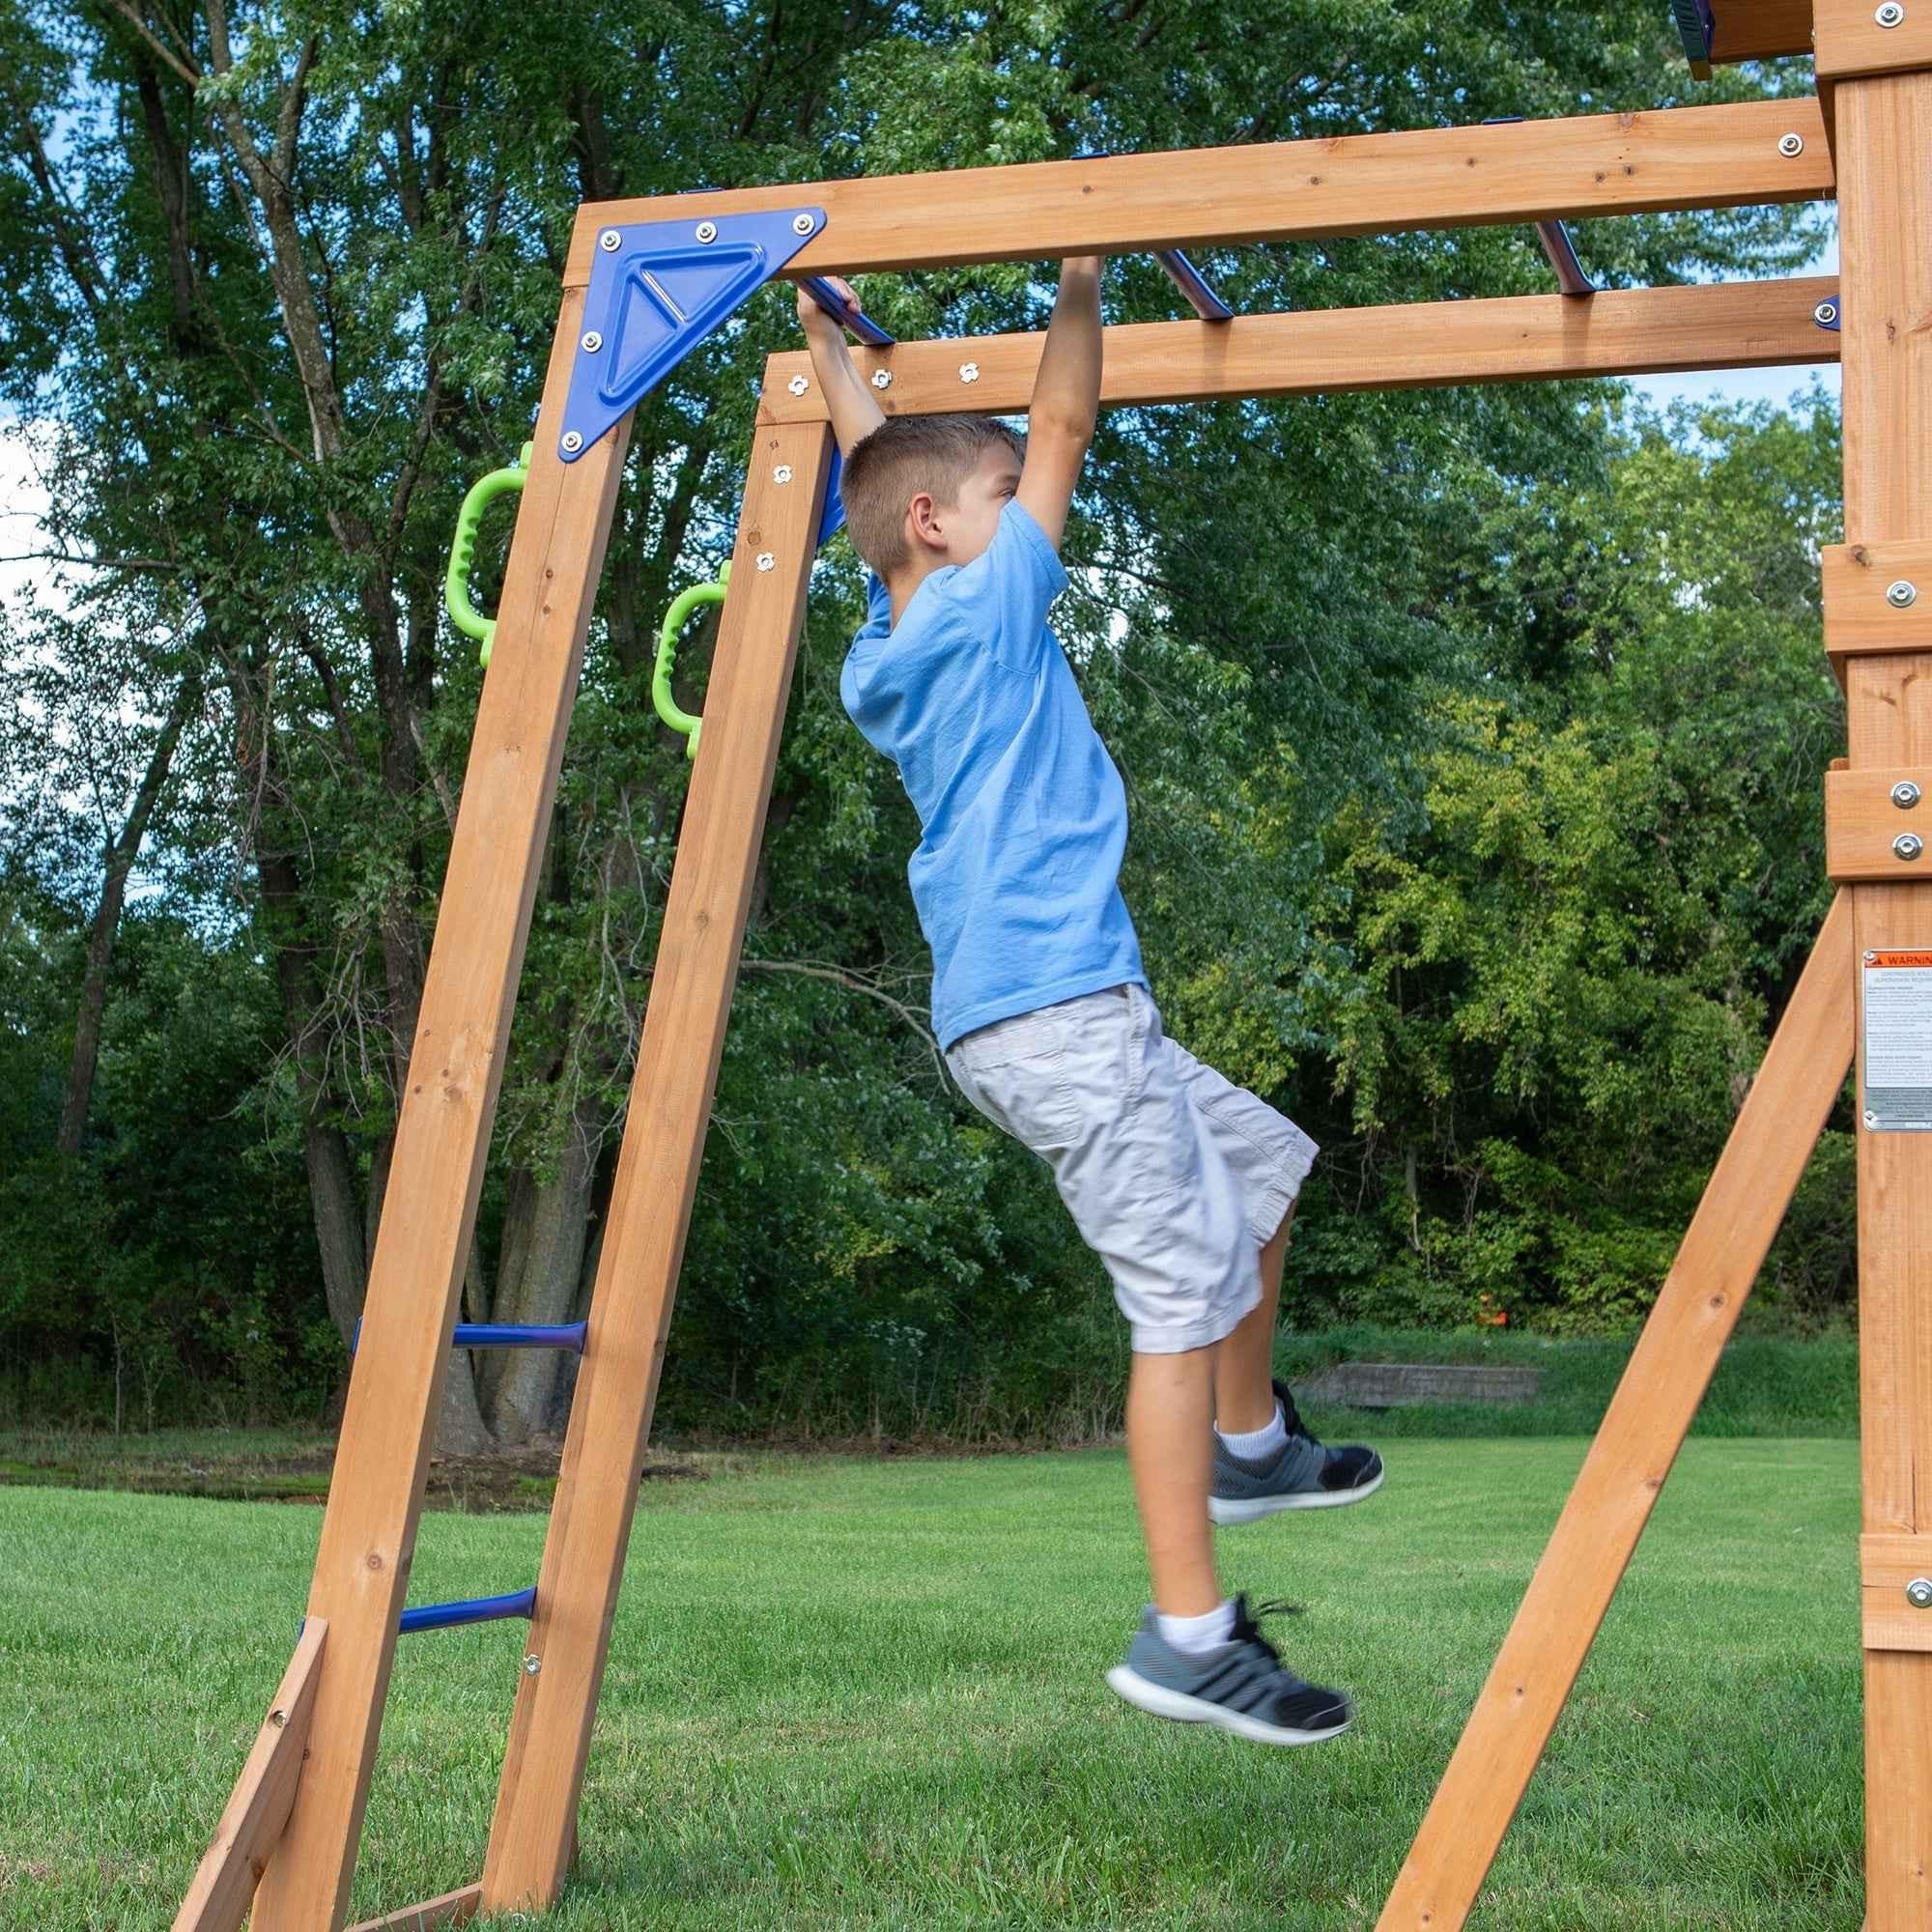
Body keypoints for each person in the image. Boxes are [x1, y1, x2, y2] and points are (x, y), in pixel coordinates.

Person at [796, 261, 1383, 1746]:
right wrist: (1080, 270)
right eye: (1004, 497)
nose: (1031, 506)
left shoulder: (889, 644)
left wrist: (832, 356)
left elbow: (886, 483)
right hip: (1058, 1011)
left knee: (1264, 1168)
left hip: (1035, 1015)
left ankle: (1250, 1443)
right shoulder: (988, 607)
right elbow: (1058, 424)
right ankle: (1190, 1639)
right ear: (947, 528)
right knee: (1180, 1298)